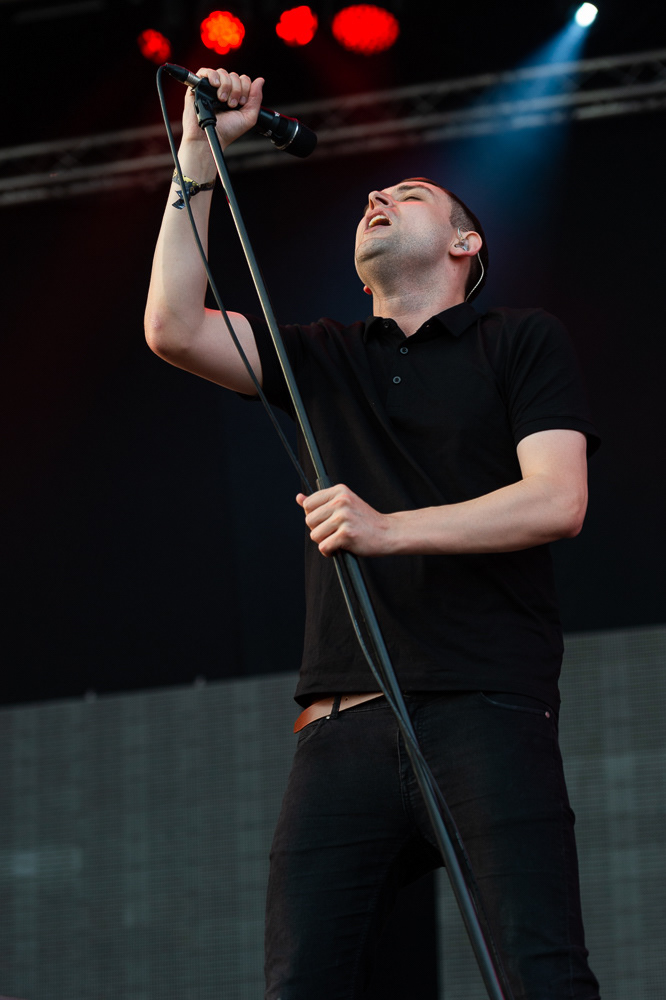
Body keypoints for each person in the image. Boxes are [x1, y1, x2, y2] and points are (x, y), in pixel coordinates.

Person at [145, 69, 602, 1000]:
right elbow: (173, 327)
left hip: (486, 706)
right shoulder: (323, 356)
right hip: (341, 726)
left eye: (411, 193)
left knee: (541, 974)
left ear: (467, 244)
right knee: (302, 982)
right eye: (372, 198)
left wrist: (389, 529)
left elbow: (557, 500)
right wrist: (197, 154)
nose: (377, 197)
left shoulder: (518, 340)